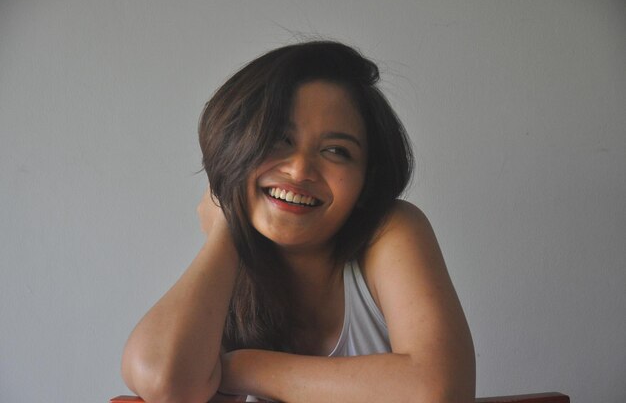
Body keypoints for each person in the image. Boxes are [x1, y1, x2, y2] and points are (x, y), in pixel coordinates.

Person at [121, 41, 475, 403]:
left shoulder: (391, 232)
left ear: (366, 180)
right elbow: (163, 380)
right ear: (237, 148)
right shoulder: (225, 279)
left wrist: (244, 368)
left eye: (336, 151)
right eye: (278, 139)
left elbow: (439, 390)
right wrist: (226, 229)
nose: (300, 169)